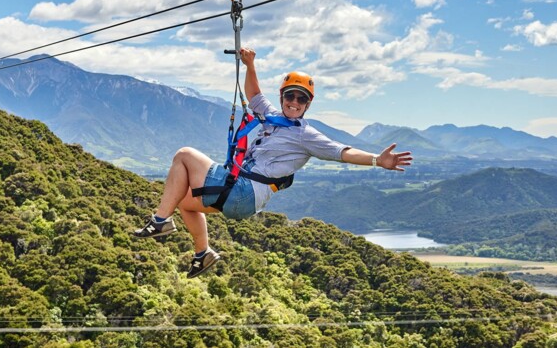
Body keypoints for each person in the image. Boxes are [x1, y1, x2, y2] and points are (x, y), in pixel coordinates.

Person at [133, 46, 413, 278]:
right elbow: (254, 95)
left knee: (184, 155)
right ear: (282, 97)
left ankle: (159, 220)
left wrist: (378, 160)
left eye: (300, 99)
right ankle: (202, 253)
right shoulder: (272, 116)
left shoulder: (305, 134)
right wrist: (250, 65)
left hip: (242, 191)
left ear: (308, 105)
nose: (294, 101)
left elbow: (342, 152)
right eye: (289, 96)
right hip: (244, 198)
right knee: (184, 203)